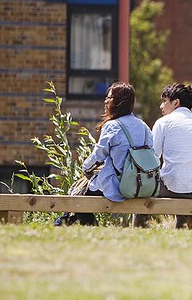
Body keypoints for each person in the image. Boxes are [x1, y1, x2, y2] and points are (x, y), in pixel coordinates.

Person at [55, 81, 151, 226]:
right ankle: (68, 223)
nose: (105, 101)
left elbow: (98, 155)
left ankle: (81, 226)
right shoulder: (143, 126)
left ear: (119, 102)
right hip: (143, 184)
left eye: (109, 98)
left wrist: (86, 169)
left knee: (78, 193)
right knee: (81, 193)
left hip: (119, 186)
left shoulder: (113, 126)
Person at [149, 83, 192, 228]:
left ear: (175, 103)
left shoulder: (163, 123)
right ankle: (182, 228)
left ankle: (139, 231)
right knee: (181, 177)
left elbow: (151, 158)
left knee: (144, 190)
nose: (161, 106)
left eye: (164, 101)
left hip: (176, 189)